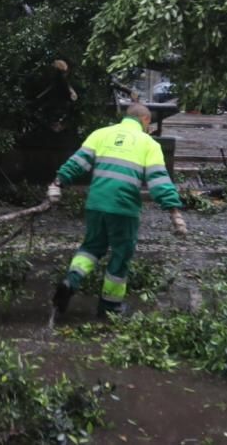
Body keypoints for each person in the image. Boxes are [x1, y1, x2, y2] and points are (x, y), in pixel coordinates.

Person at [47, 103, 185, 321]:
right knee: (120, 255)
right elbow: (159, 181)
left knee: (91, 247)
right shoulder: (148, 143)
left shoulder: (100, 134)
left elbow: (77, 163)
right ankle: (110, 307)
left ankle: (70, 281)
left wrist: (58, 183)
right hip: (124, 207)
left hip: (96, 203)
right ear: (146, 121)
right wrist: (174, 212)